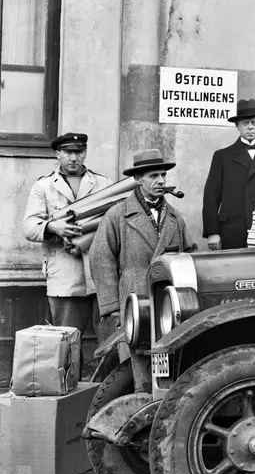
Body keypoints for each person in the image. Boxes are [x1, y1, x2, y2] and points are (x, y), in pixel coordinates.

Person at [90, 149, 197, 339]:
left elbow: (190, 255)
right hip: (133, 300)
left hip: (168, 302)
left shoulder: (175, 217)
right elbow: (101, 259)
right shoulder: (117, 215)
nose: (162, 181)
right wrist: (113, 307)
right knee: (135, 356)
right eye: (154, 176)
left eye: (163, 175)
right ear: (138, 179)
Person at [21, 132, 112, 336]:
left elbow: (115, 221)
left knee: (110, 341)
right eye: (68, 152)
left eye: (78, 152)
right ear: (57, 154)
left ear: (85, 153)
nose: (73, 157)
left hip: (101, 274)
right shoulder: (44, 186)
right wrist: (53, 227)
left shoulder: (103, 184)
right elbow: (29, 226)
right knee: (66, 341)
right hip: (64, 275)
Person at [202, 98, 255, 250]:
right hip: (231, 230)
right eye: (245, 123)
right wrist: (212, 232)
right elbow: (211, 196)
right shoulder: (222, 156)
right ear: (237, 126)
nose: (250, 128)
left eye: (254, 123)